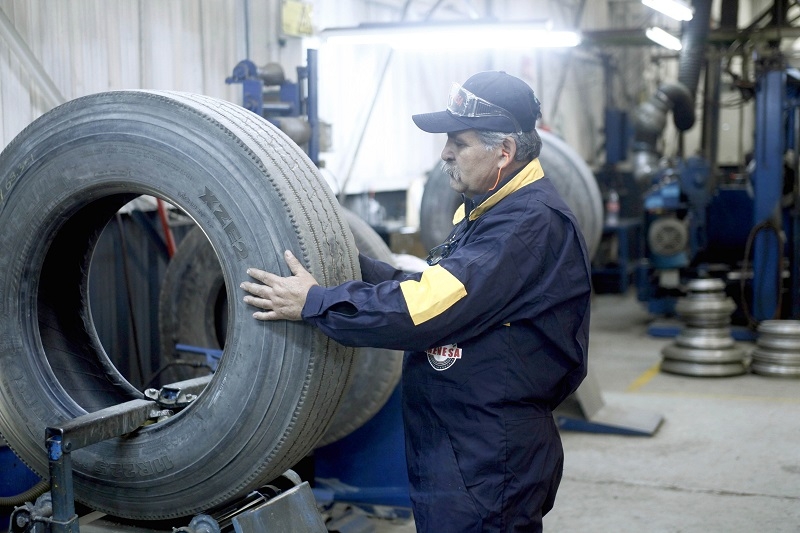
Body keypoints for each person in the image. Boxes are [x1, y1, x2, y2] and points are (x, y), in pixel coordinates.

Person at [240, 71, 591, 532]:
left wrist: (316, 302)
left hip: (487, 451)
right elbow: (441, 287)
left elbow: (423, 309)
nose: (444, 152)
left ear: (503, 152)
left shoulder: (525, 225)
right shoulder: (493, 211)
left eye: (459, 142)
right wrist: (350, 261)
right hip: (464, 441)